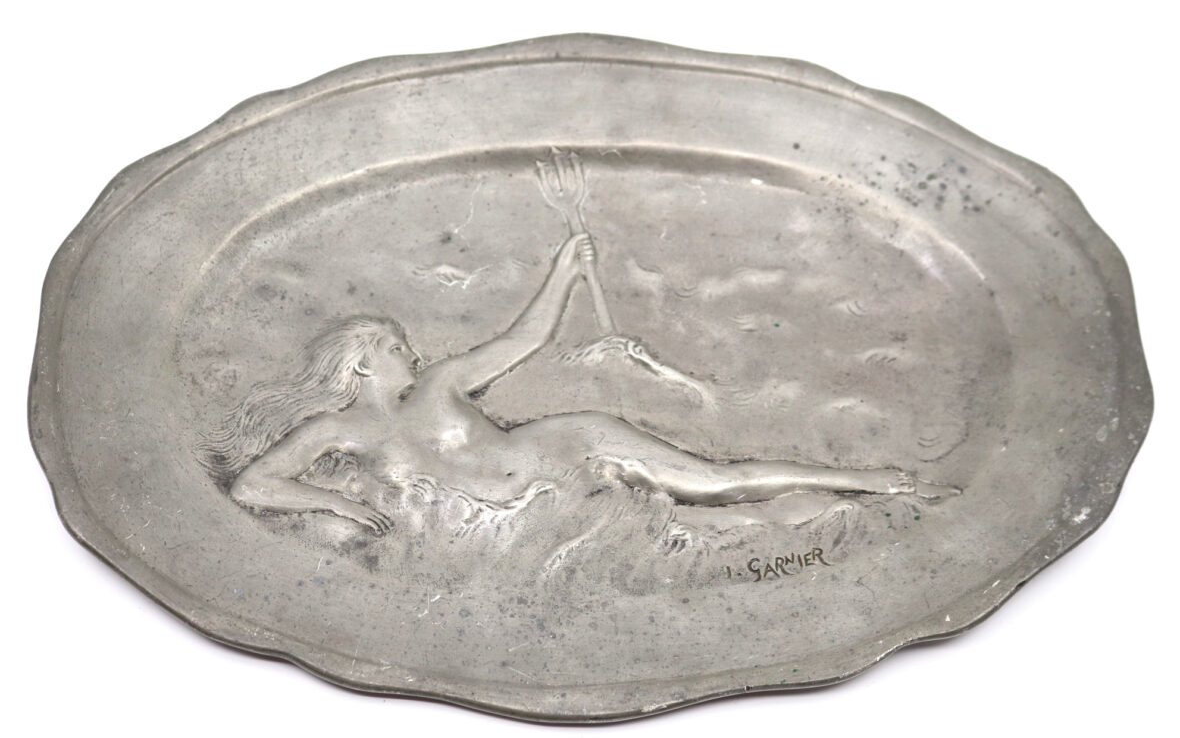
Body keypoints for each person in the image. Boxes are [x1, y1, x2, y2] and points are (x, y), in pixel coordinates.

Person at [199, 233, 956, 533]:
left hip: (573, 445)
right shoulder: (337, 432)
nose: (413, 355)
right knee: (707, 527)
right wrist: (332, 501)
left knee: (716, 482)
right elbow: (253, 485)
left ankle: (871, 480)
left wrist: (563, 269)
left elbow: (524, 340)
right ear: (363, 363)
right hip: (536, 507)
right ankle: (840, 507)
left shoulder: (442, 385)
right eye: (397, 348)